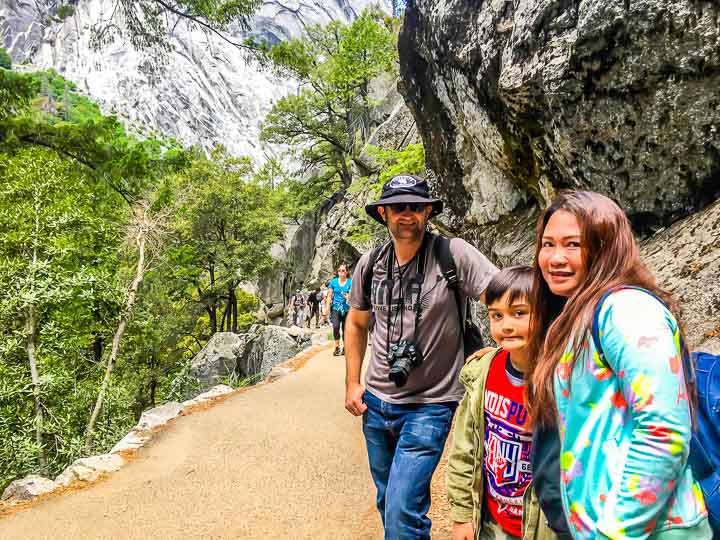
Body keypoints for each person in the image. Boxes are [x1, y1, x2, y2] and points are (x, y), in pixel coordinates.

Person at [526, 191, 711, 539]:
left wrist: (617, 531)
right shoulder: (578, 315)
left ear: (604, 246)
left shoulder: (626, 311)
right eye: (548, 244)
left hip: (652, 529)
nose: (555, 258)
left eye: (573, 244)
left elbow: (664, 431)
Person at [345, 174, 498, 539]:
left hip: (431, 404)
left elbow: (504, 295)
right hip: (377, 403)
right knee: (390, 502)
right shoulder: (371, 264)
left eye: (416, 206)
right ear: (383, 213)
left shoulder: (452, 254)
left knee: (401, 509)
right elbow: (356, 323)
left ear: (428, 211)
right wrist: (353, 382)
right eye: (399, 207)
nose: (407, 215)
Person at [447, 266, 559, 540]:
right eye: (497, 315)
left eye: (519, 313)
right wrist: (462, 514)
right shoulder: (485, 372)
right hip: (492, 525)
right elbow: (465, 448)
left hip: (542, 527)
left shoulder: (560, 379)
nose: (506, 325)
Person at [327, 265, 352, 356]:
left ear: (346, 272)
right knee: (336, 326)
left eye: (343, 270)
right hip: (336, 308)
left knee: (346, 330)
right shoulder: (333, 282)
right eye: (339, 270)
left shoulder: (350, 282)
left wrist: (348, 297)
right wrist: (326, 308)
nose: (341, 272)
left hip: (347, 309)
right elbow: (329, 296)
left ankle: (345, 347)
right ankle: (337, 347)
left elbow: (354, 296)